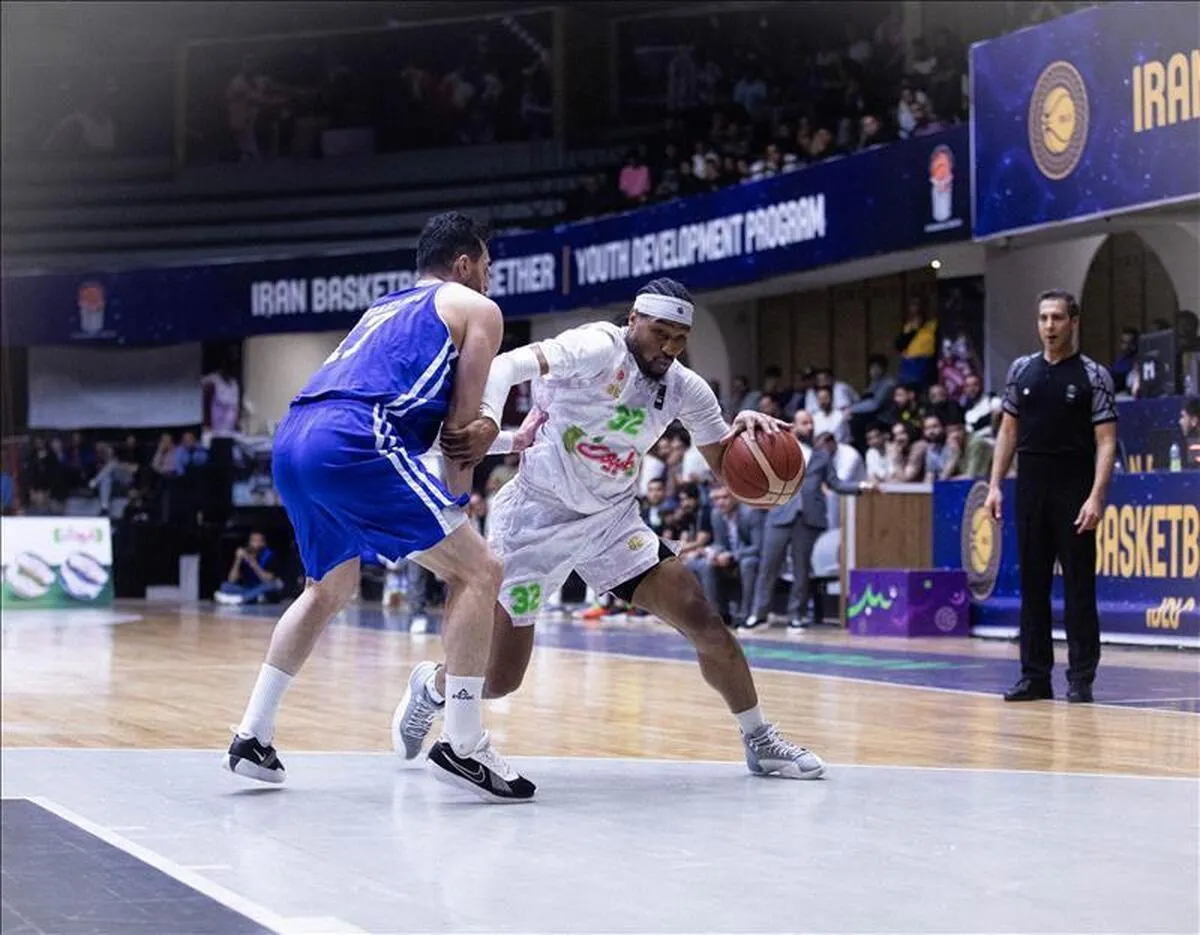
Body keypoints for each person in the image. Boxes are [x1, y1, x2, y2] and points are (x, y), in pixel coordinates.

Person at [396, 277, 827, 780]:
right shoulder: (596, 346)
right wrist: (490, 420)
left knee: (702, 618)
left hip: (612, 521)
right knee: (498, 679)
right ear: (633, 320)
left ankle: (760, 739)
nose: (669, 347)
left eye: (679, 338)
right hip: (536, 518)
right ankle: (432, 687)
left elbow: (725, 467)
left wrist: (744, 433)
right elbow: (505, 364)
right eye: (660, 333)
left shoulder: (685, 388)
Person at [225, 212, 538, 802]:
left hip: (295, 438)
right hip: (355, 439)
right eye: (488, 267)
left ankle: (252, 735)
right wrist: (458, 502)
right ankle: (464, 743)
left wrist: (504, 440)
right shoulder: (478, 309)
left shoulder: (386, 308)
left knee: (328, 588)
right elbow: (458, 428)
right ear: (464, 263)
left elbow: (416, 418)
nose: (490, 280)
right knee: (481, 571)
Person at [986, 289, 1117, 704]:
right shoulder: (1021, 370)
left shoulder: (1094, 375)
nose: (1049, 326)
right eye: (1043, 318)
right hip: (1030, 491)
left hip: (1074, 491)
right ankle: (1035, 677)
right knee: (1033, 586)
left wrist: (1096, 497)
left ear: (1073, 322)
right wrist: (994, 485)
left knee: (1079, 588)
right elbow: (1008, 432)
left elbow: (1107, 441)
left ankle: (1080, 677)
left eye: (1057, 318)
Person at [744, 419, 874, 630]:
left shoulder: (822, 456)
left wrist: (861, 486)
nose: (810, 427)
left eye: (811, 423)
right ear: (793, 426)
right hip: (779, 514)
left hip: (808, 517)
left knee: (802, 570)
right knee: (768, 566)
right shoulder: (776, 451)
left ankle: (797, 615)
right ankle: (759, 614)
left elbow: (835, 483)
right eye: (805, 423)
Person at [215, 530, 284, 606]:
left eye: (258, 541)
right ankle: (253, 598)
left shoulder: (269, 555)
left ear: (264, 543)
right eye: (253, 541)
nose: (256, 544)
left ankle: (241, 599)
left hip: (263, 585)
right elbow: (232, 580)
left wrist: (253, 563)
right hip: (249, 587)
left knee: (272, 586)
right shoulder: (245, 554)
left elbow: (268, 579)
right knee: (225, 586)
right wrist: (238, 560)